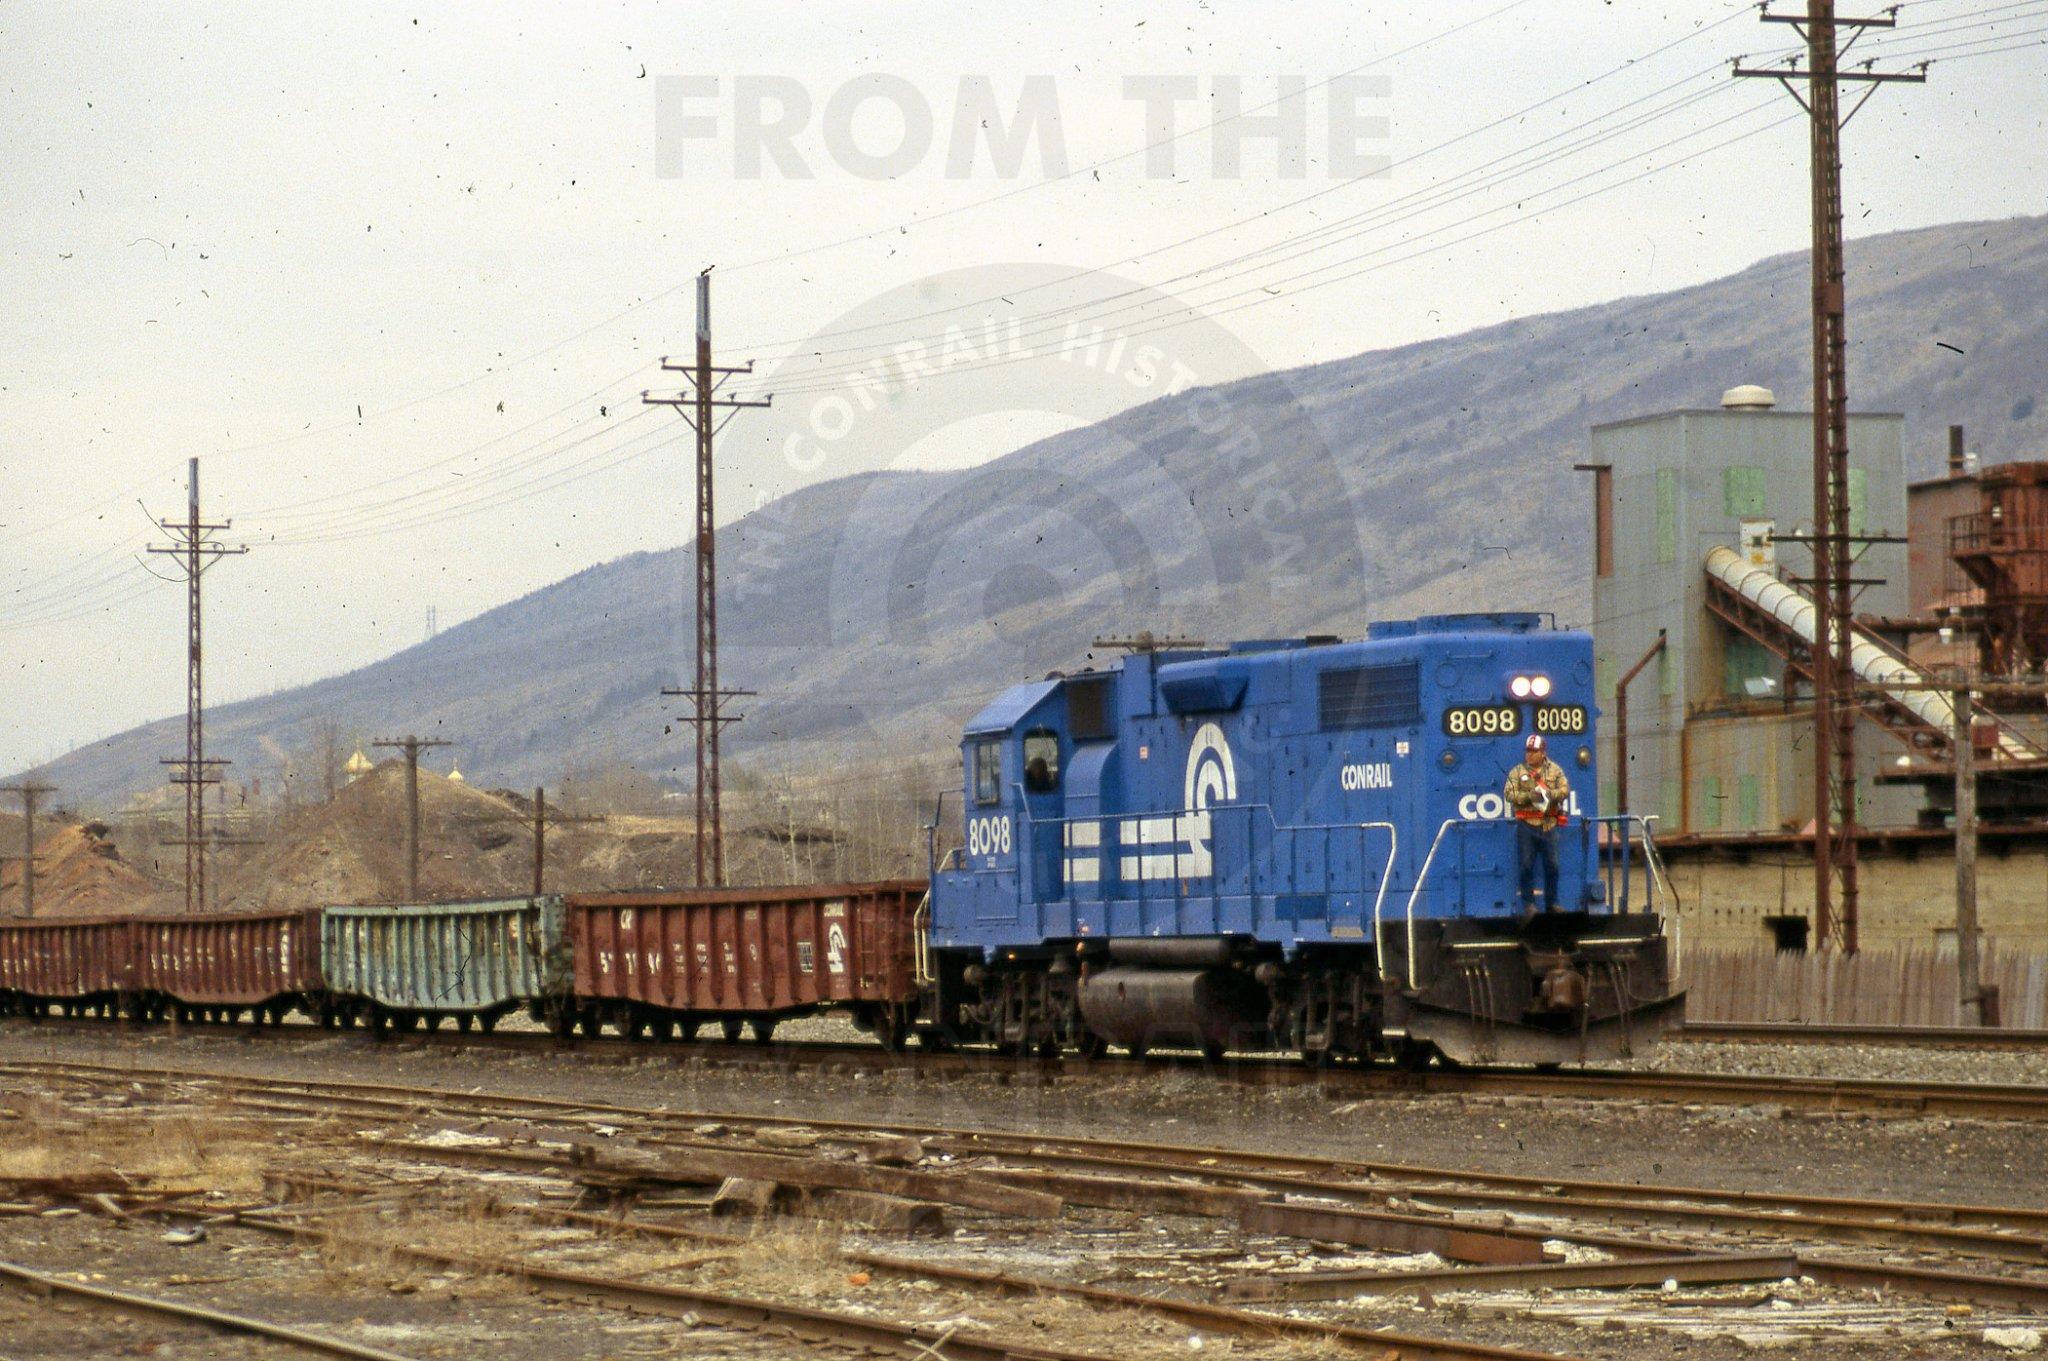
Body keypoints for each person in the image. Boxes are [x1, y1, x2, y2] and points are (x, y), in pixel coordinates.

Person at [1503, 733, 1570, 917]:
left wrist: (1548, 795)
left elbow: (1564, 790)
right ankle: (1529, 904)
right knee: (1526, 865)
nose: (1529, 754)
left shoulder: (1555, 770)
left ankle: (1552, 903)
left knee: (1553, 865)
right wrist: (1530, 797)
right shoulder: (1517, 772)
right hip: (1526, 824)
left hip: (1549, 824)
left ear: (1542, 752)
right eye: (1528, 751)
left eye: (1533, 751)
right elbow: (1509, 793)